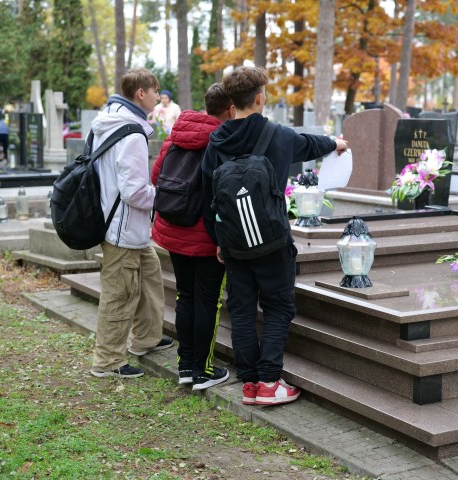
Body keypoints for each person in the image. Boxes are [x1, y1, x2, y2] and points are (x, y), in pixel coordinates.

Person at [201, 66, 348, 406]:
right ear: (259, 97)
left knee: (240, 310)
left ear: (231, 102)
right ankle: (270, 382)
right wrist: (336, 143)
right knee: (279, 308)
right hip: (273, 242)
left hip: (235, 244)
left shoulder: (216, 142)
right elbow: (310, 144)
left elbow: (207, 198)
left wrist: (219, 240)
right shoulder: (277, 136)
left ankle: (250, 384)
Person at [150, 84, 235, 390]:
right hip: (206, 235)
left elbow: (155, 176)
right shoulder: (224, 140)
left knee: (184, 296)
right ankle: (203, 371)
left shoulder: (177, 132)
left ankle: (185, 365)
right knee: (208, 302)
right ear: (230, 110)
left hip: (174, 228)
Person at [90, 68, 173, 379]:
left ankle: (146, 339)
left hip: (122, 225)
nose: (157, 97)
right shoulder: (132, 133)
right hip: (123, 229)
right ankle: (108, 361)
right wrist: (166, 197)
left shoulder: (108, 120)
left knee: (150, 277)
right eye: (155, 91)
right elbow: (135, 192)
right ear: (141, 93)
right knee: (120, 294)